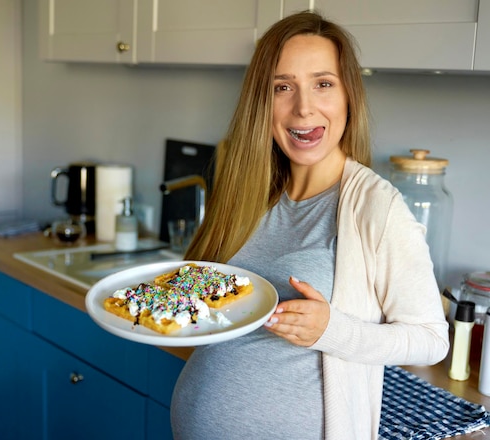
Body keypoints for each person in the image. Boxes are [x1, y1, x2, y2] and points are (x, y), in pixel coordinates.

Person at [170, 10, 449, 440]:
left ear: (348, 96)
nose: (303, 108)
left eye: (323, 84)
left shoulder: (376, 207)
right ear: (262, 101)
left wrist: (330, 330)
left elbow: (431, 340)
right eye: (283, 87)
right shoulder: (249, 189)